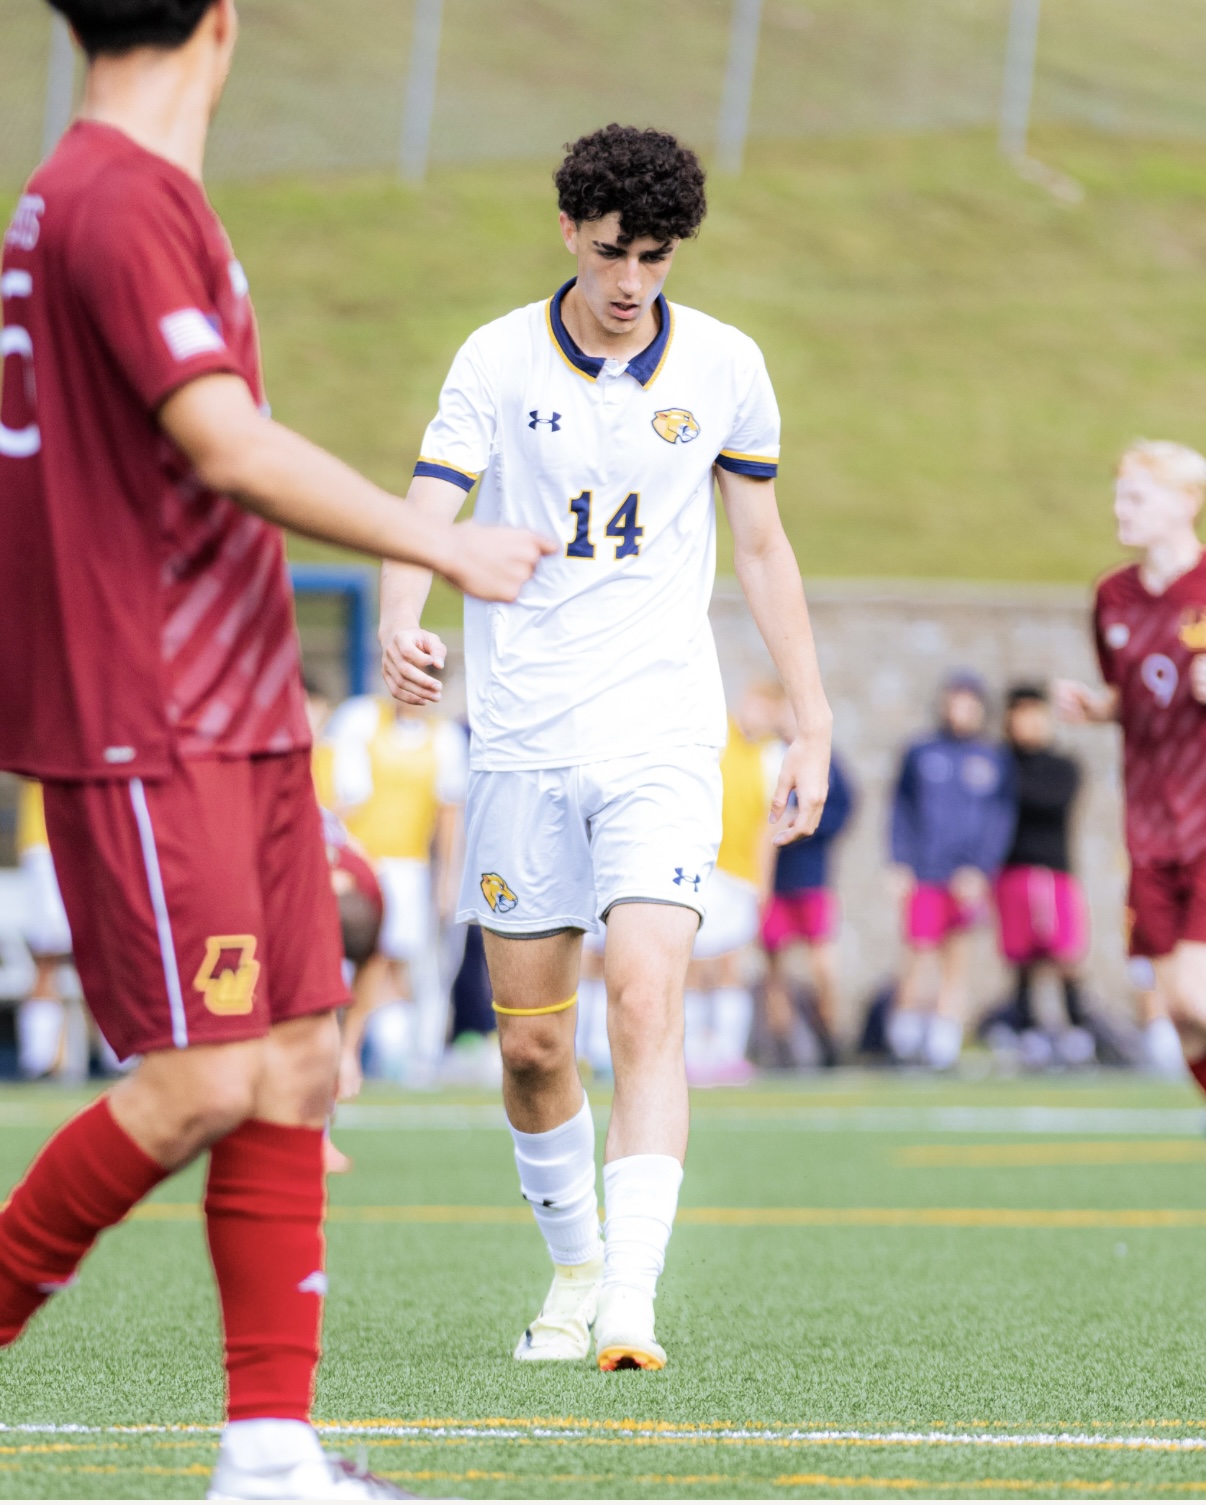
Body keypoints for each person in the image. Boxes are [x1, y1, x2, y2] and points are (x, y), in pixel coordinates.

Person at [0, 1, 550, 1496]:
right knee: (199, 1083)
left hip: (235, 713)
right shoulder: (110, 198)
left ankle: (269, 1453)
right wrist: (448, 540)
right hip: (147, 710)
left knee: (304, 1061)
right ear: (222, 26)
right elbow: (225, 442)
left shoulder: (137, 197)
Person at [379, 124, 832, 1371]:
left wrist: (814, 717)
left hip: (662, 734)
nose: (634, 280)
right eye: (615, 250)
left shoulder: (729, 364)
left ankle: (631, 1294)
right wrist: (399, 619)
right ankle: (574, 1264)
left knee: (646, 995)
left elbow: (763, 548)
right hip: (523, 735)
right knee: (530, 1046)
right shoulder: (494, 356)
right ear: (568, 228)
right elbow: (428, 501)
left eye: (659, 256)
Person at [1055, 440, 1206, 1093]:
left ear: (1185, 503)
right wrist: (1096, 708)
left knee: (1196, 996)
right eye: (1120, 493)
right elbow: (1135, 693)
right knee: (1179, 1015)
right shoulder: (1112, 596)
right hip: (1147, 834)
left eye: (1137, 496)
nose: (1121, 507)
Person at [318, 692, 469, 1085]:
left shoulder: (445, 740)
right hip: (357, 865)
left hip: (408, 869)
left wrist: (448, 879)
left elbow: (448, 814)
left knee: (395, 964)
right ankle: (340, 1052)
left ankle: (384, 1054)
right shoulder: (361, 720)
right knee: (342, 959)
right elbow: (341, 795)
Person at [887, 670, 1016, 1070]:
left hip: (966, 880)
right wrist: (899, 861)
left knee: (956, 959)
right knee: (917, 953)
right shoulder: (921, 753)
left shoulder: (993, 759)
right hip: (925, 872)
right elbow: (900, 812)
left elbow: (1000, 819)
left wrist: (981, 869)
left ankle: (944, 1045)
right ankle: (905, 1042)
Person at [683, 681, 786, 1086]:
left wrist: (763, 883)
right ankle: (689, 1052)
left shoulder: (773, 757)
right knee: (692, 963)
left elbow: (768, 825)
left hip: (739, 877)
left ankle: (727, 1053)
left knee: (730, 964)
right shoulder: (713, 736)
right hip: (702, 867)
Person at [988, 683, 1093, 1064]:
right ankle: (1027, 1028)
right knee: (1020, 956)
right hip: (1010, 872)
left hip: (1051, 871)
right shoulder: (999, 762)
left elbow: (1046, 802)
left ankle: (1078, 1025)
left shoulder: (1062, 766)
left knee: (1064, 952)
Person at [760, 751, 854, 1068]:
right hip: (772, 879)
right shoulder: (765, 754)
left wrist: (807, 824)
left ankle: (829, 1032)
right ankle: (783, 1045)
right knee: (775, 970)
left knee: (822, 964)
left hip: (812, 875)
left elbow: (843, 806)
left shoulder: (824, 759)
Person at [14, 780, 74, 1079]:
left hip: (93, 839)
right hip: (46, 844)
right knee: (48, 955)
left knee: (109, 955)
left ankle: (119, 1060)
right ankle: (41, 1061)